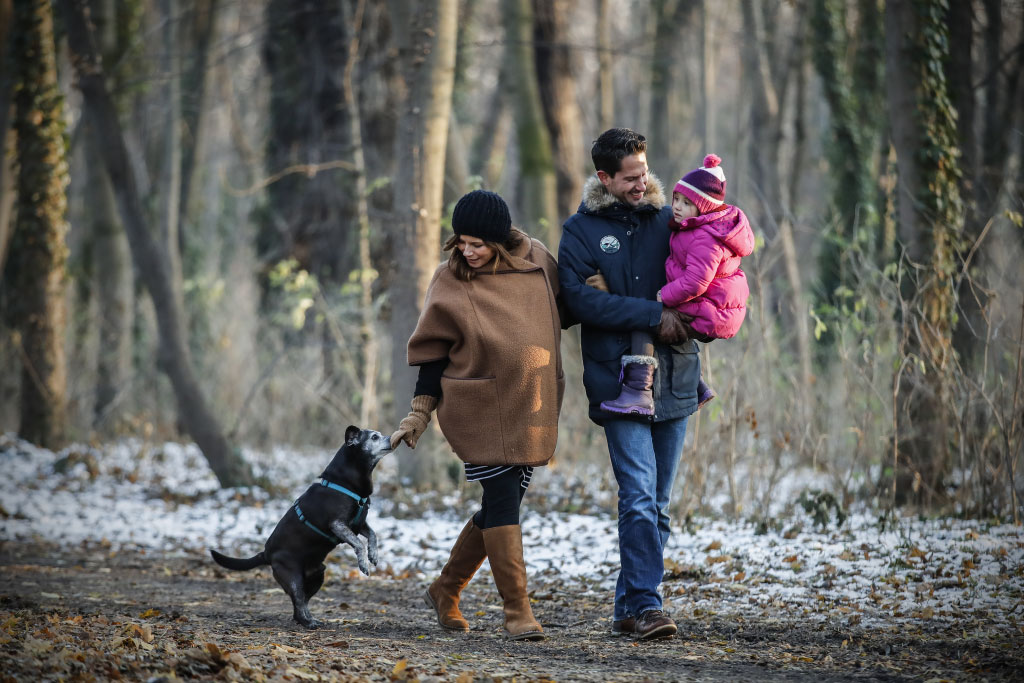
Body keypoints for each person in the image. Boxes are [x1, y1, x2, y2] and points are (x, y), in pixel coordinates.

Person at [391, 189, 564, 642]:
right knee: (504, 498)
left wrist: (602, 290)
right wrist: (419, 413)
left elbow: (564, 309)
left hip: (531, 406)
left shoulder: (538, 261)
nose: (467, 252)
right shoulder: (451, 278)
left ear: (501, 242)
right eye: (461, 242)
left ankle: (445, 590)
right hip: (478, 407)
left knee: (500, 504)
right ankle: (517, 610)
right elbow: (433, 352)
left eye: (477, 244)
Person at [557, 128, 698, 640]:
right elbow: (576, 301)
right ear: (604, 178)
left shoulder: (672, 220)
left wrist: (670, 311)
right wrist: (650, 311)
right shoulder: (581, 231)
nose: (643, 183)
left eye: (645, 172)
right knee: (637, 495)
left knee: (657, 504)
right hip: (617, 381)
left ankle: (628, 607)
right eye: (631, 177)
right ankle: (647, 605)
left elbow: (708, 277)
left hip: (676, 375)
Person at [596, 154, 754, 416]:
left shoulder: (705, 237)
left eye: (687, 203)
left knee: (644, 318)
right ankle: (696, 387)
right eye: (676, 199)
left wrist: (663, 296)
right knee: (667, 329)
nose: (677, 207)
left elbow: (696, 281)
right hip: (712, 305)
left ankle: (638, 392)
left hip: (712, 307)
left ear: (704, 208)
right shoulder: (694, 228)